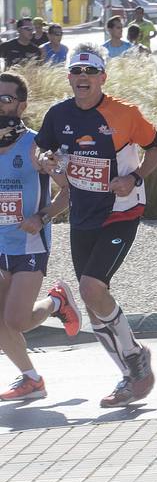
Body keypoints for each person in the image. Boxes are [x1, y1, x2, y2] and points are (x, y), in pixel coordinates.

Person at [35, 47, 157, 407]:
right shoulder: (58, 114)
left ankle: (133, 360)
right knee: (94, 302)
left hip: (122, 210)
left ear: (102, 78)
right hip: (82, 214)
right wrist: (47, 162)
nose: (82, 77)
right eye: (76, 71)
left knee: (92, 288)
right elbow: (43, 151)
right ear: (69, 78)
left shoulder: (124, 113)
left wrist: (134, 176)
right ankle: (130, 369)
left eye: (90, 72)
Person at [0, 72, 79, 401]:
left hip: (30, 242)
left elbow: (69, 191)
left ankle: (56, 300)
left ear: (22, 105)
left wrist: (42, 216)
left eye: (6, 99)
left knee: (15, 321)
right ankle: (31, 378)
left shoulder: (39, 145)